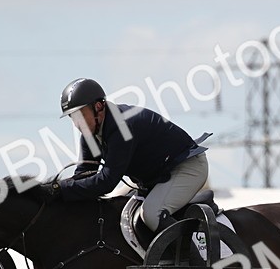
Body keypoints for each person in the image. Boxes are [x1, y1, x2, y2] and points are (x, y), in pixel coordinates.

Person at [41, 78, 210, 245]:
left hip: (187, 168)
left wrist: (61, 188)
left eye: (80, 115)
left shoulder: (122, 126)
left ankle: (195, 254)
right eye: (72, 117)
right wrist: (55, 190)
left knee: (151, 214)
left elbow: (107, 182)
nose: (77, 124)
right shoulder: (91, 133)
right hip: (156, 177)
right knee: (116, 212)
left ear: (98, 107)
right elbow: (84, 175)